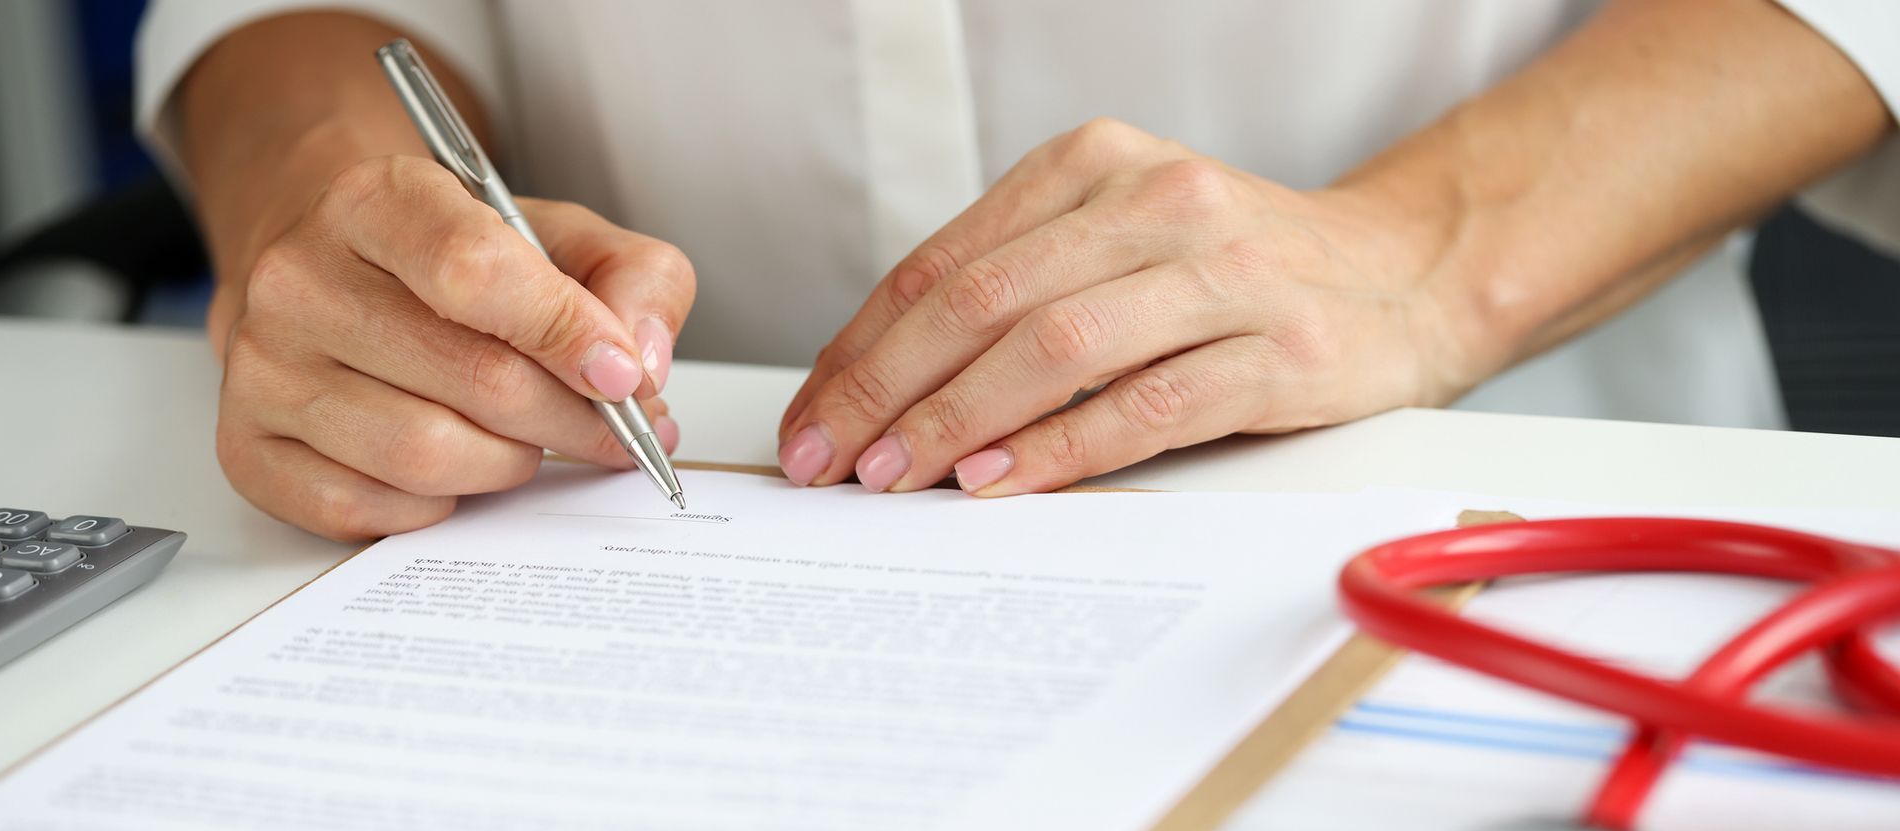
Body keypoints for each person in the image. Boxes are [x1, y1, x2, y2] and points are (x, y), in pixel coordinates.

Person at [137, 1, 1898, 540]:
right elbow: (291, 23)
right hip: (557, 522)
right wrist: (326, 186)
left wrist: (1422, 257)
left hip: (1479, 503)